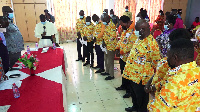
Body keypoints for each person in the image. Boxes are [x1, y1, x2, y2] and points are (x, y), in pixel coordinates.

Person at [148, 38, 200, 111]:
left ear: (175, 57)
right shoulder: (197, 71)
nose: (167, 59)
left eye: (168, 57)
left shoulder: (174, 82)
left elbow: (156, 109)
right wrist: (154, 87)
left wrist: (151, 101)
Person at [144, 28, 191, 103]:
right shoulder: (169, 58)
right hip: (156, 93)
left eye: (171, 43)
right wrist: (149, 83)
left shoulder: (177, 63)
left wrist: (153, 88)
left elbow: (166, 82)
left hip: (164, 97)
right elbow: (158, 72)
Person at [123, 19, 161, 112]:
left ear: (142, 29)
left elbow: (156, 62)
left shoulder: (152, 44)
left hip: (141, 78)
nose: (134, 31)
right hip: (132, 74)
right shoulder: (139, 39)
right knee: (134, 95)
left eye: (136, 29)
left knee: (142, 100)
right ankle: (134, 107)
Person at [115, 15, 137, 98]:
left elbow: (131, 45)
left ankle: (129, 91)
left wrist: (120, 51)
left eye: (122, 24)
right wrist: (117, 48)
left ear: (128, 22)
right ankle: (123, 86)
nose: (121, 26)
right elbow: (121, 40)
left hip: (129, 57)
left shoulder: (134, 31)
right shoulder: (126, 30)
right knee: (123, 73)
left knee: (128, 75)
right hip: (122, 56)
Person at [99, 14, 117, 80]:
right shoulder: (107, 25)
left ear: (107, 19)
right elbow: (105, 34)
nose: (102, 22)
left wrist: (106, 43)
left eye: (103, 20)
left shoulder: (112, 25)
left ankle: (111, 75)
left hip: (111, 46)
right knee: (106, 59)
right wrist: (103, 41)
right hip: (106, 46)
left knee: (110, 61)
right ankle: (107, 71)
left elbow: (112, 37)